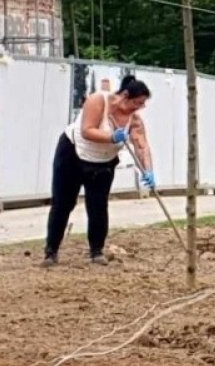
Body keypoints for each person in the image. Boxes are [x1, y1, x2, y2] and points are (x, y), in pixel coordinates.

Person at [42, 74, 155, 267]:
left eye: (142, 104)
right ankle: (51, 252)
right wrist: (112, 137)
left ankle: (96, 251)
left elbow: (142, 146)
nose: (139, 108)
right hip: (73, 154)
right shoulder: (98, 100)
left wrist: (148, 170)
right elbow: (88, 130)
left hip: (103, 162)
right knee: (63, 203)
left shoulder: (134, 120)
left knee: (98, 206)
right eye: (137, 103)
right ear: (125, 95)